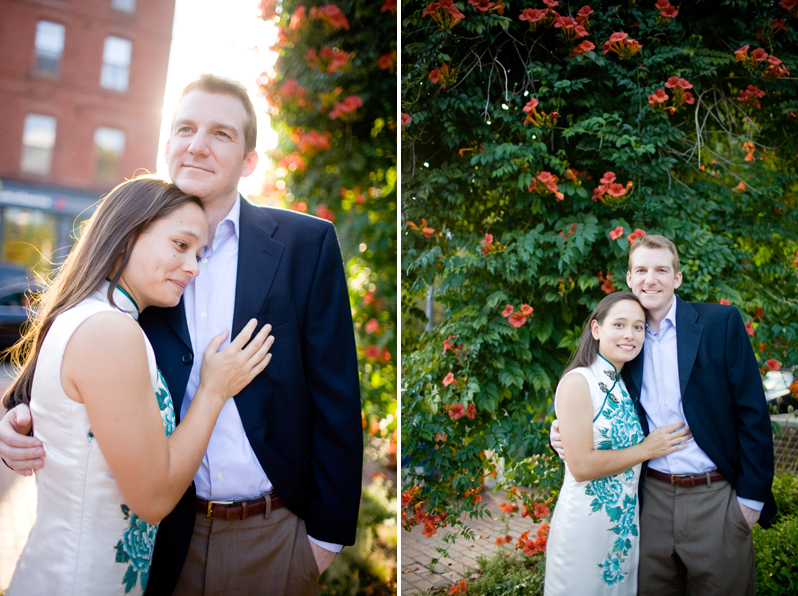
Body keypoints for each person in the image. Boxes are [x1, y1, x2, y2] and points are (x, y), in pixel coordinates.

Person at [0, 74, 363, 595]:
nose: (197, 144)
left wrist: (323, 544)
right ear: (166, 143)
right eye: (185, 128)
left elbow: (337, 396)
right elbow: (57, 377)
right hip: (162, 542)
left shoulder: (307, 245)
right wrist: (18, 423)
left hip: (275, 535)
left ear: (249, 160)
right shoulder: (139, 261)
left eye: (221, 133)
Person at [2, 177, 274, 595]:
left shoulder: (93, 317)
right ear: (126, 234)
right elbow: (153, 498)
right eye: (181, 246)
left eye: (199, 254)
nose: (194, 267)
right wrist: (213, 391)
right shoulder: (110, 331)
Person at [550, 234, 775, 596]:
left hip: (715, 496)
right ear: (629, 278)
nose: (649, 279)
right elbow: (591, 398)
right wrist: (558, 432)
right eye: (641, 269)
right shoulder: (624, 341)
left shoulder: (720, 323)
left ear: (677, 278)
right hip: (648, 500)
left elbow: (752, 412)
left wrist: (750, 502)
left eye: (660, 270)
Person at [545, 291, 690, 595]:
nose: (630, 334)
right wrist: (647, 449)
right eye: (620, 325)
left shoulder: (624, 384)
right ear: (596, 330)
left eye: (639, 327)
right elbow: (582, 466)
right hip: (585, 527)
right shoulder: (579, 381)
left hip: (623, 529)